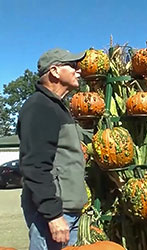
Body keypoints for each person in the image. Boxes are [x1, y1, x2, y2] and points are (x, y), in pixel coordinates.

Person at [17, 48, 89, 249]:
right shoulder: (40, 107)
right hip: (55, 212)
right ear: (55, 71)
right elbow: (35, 165)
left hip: (65, 210)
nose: (79, 71)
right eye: (73, 66)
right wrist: (53, 215)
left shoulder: (57, 107)